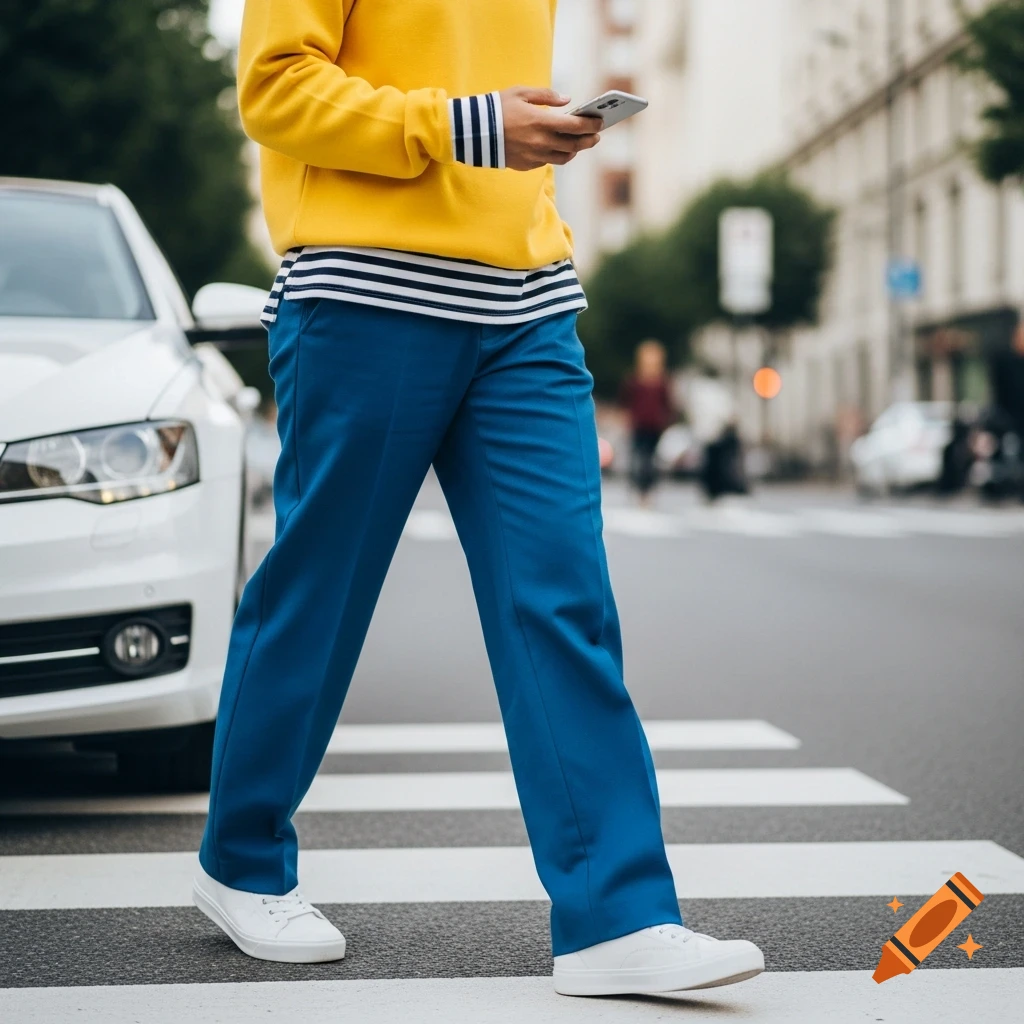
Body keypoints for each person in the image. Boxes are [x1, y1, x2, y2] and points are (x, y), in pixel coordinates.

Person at [193, 0, 764, 998]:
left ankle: (615, 915)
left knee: (564, 601)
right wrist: (471, 126)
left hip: (526, 299)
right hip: (367, 288)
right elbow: (275, 89)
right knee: (320, 595)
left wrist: (534, 134)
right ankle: (240, 861)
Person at [619, 340, 676, 505]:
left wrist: (666, 420)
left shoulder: (663, 381)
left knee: (650, 460)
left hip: (655, 426)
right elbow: (625, 401)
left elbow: (668, 404)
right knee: (638, 459)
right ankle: (638, 490)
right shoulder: (633, 380)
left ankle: (648, 491)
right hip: (638, 425)